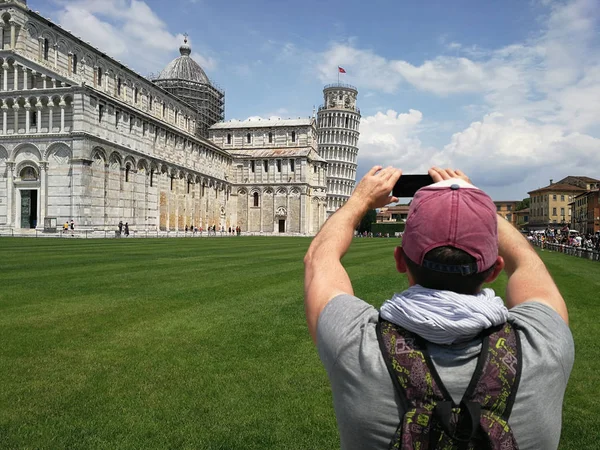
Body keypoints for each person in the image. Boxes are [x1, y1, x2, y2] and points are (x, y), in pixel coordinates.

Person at [304, 166, 574, 450]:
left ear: (399, 261)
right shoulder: (546, 342)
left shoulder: (354, 345)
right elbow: (528, 262)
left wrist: (360, 199)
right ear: (495, 270)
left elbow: (319, 259)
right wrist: (474, 201)